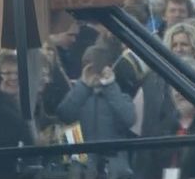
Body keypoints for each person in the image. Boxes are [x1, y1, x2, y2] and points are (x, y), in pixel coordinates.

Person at [56, 45, 136, 178]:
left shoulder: (120, 96)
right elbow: (64, 115)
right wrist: (84, 86)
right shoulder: (76, 95)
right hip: (82, 170)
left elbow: (129, 119)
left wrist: (110, 85)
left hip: (115, 170)